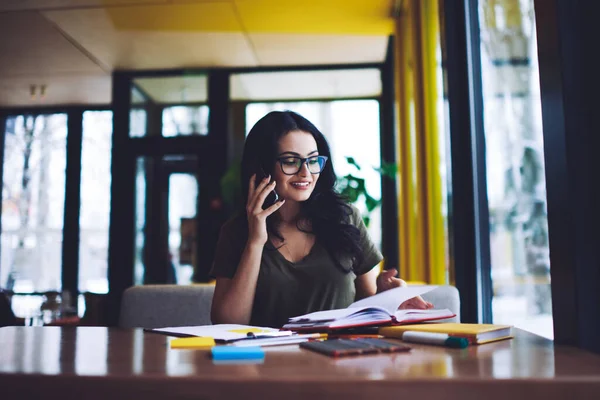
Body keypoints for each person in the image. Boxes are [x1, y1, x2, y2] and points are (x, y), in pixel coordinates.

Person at [210, 111, 432, 328]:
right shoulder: (237, 231)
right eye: (291, 161)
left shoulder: (346, 218)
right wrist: (255, 241)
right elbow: (227, 324)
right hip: (267, 361)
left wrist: (387, 295)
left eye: (313, 160)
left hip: (340, 357)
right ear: (262, 167)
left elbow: (368, 306)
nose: (306, 172)